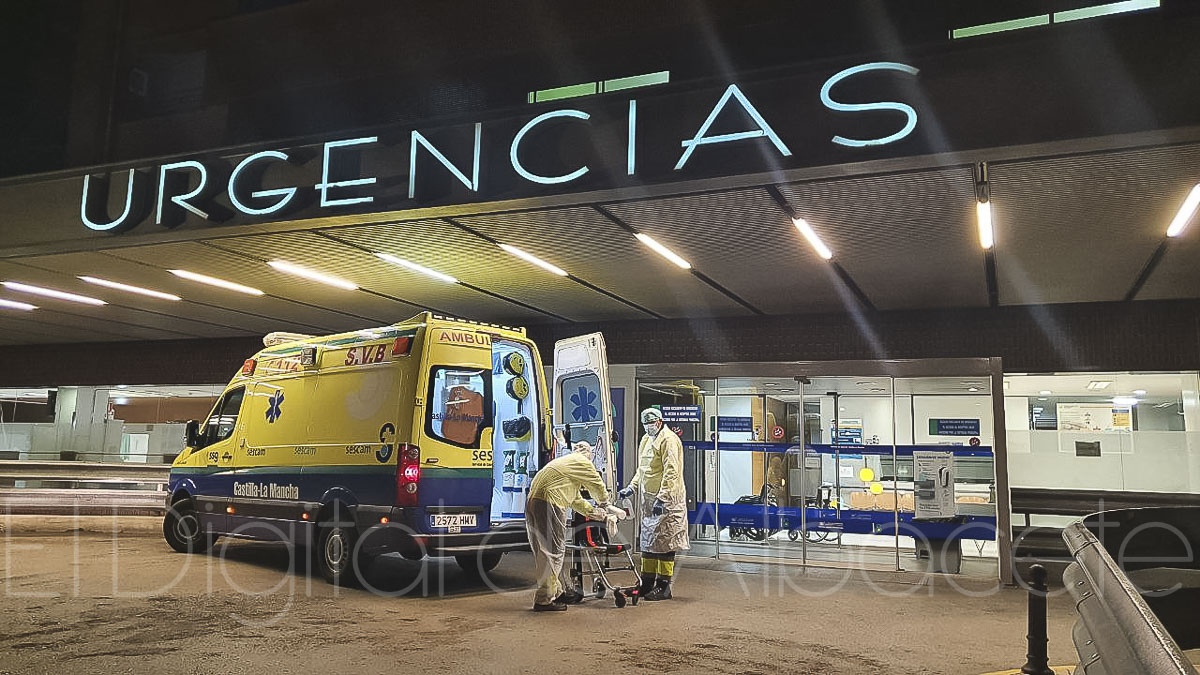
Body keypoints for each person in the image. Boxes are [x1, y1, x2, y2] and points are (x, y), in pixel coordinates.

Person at [525, 441, 618, 612]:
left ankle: (556, 592)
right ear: (588, 455)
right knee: (553, 552)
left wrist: (600, 515)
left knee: (544, 550)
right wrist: (606, 503)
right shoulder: (582, 462)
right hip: (550, 502)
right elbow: (597, 484)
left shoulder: (565, 466)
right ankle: (544, 600)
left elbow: (576, 500)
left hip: (534, 501)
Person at [619, 407, 689, 601]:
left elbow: (671, 471)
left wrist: (663, 497)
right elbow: (643, 470)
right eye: (645, 423)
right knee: (648, 542)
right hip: (649, 501)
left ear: (659, 421)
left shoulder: (669, 439)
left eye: (650, 422)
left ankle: (664, 586)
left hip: (666, 502)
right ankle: (647, 582)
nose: (648, 426)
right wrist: (632, 487)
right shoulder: (646, 440)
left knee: (665, 543)